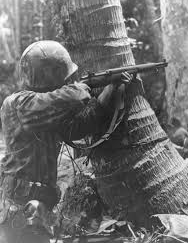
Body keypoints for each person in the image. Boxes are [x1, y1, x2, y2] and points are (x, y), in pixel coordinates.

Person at [0, 40, 131, 243]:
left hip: (40, 205)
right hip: (19, 205)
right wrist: (83, 87)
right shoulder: (18, 104)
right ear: (49, 76)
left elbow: (78, 127)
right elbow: (64, 98)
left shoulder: (47, 110)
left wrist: (110, 88)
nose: (67, 82)